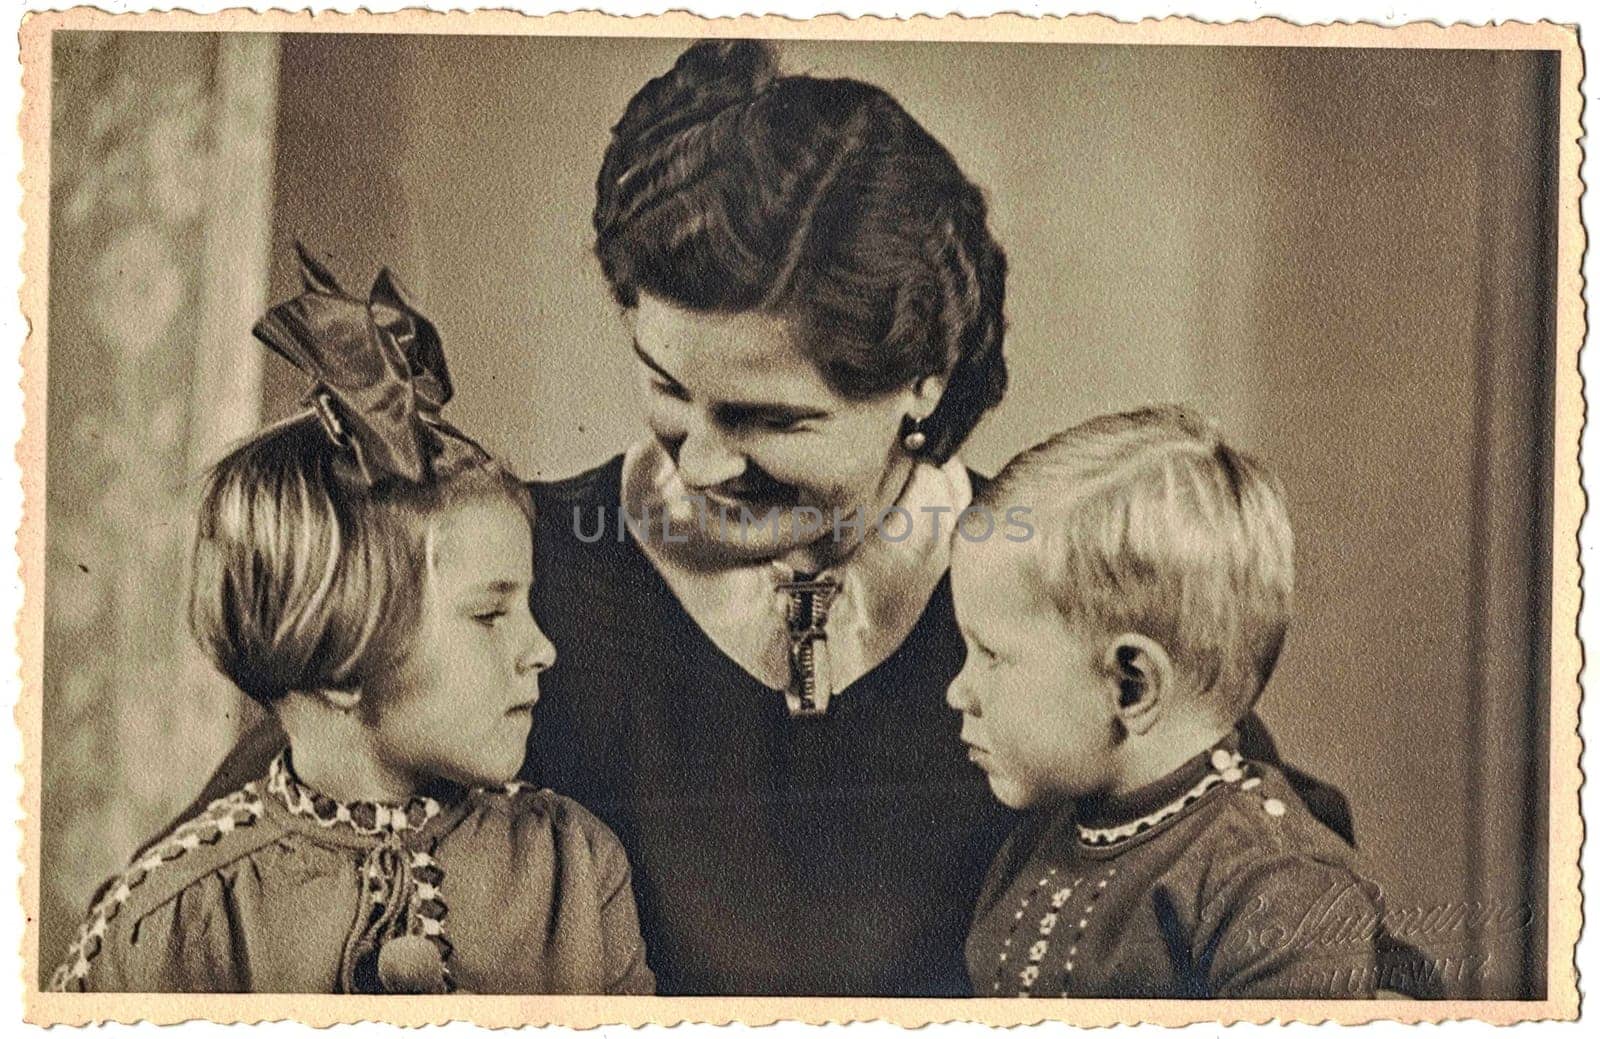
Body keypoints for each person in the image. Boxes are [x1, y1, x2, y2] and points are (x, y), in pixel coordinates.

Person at [178, 41, 1349, 996]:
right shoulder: (498, 583)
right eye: (665, 385)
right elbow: (217, 889)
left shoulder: (1069, 583)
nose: (696, 458)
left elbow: (1263, 879)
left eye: (770, 420)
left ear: (922, 383)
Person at [49, 250, 652, 995]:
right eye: (490, 613)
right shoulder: (175, 919)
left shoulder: (575, 872)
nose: (541, 648)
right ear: (340, 660)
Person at [953, 406, 1380, 998]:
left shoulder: (1273, 886)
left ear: (1132, 685)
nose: (958, 690)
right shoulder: (1045, 833)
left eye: (990, 655)